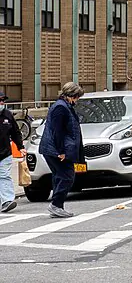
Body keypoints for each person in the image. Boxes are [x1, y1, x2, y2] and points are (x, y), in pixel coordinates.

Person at [38, 82, 84, 218]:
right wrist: (61, 151)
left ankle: (57, 205)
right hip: (56, 149)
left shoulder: (64, 106)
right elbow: (57, 131)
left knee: (60, 176)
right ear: (71, 95)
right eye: (77, 97)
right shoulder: (61, 108)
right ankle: (56, 205)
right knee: (67, 176)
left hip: (54, 149)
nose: (77, 100)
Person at [0, 93, 25, 212]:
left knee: (4, 176)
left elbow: (15, 132)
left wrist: (20, 147)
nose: (2, 103)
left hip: (5, 153)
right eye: (0, 101)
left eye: (3, 101)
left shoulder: (7, 115)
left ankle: (7, 201)